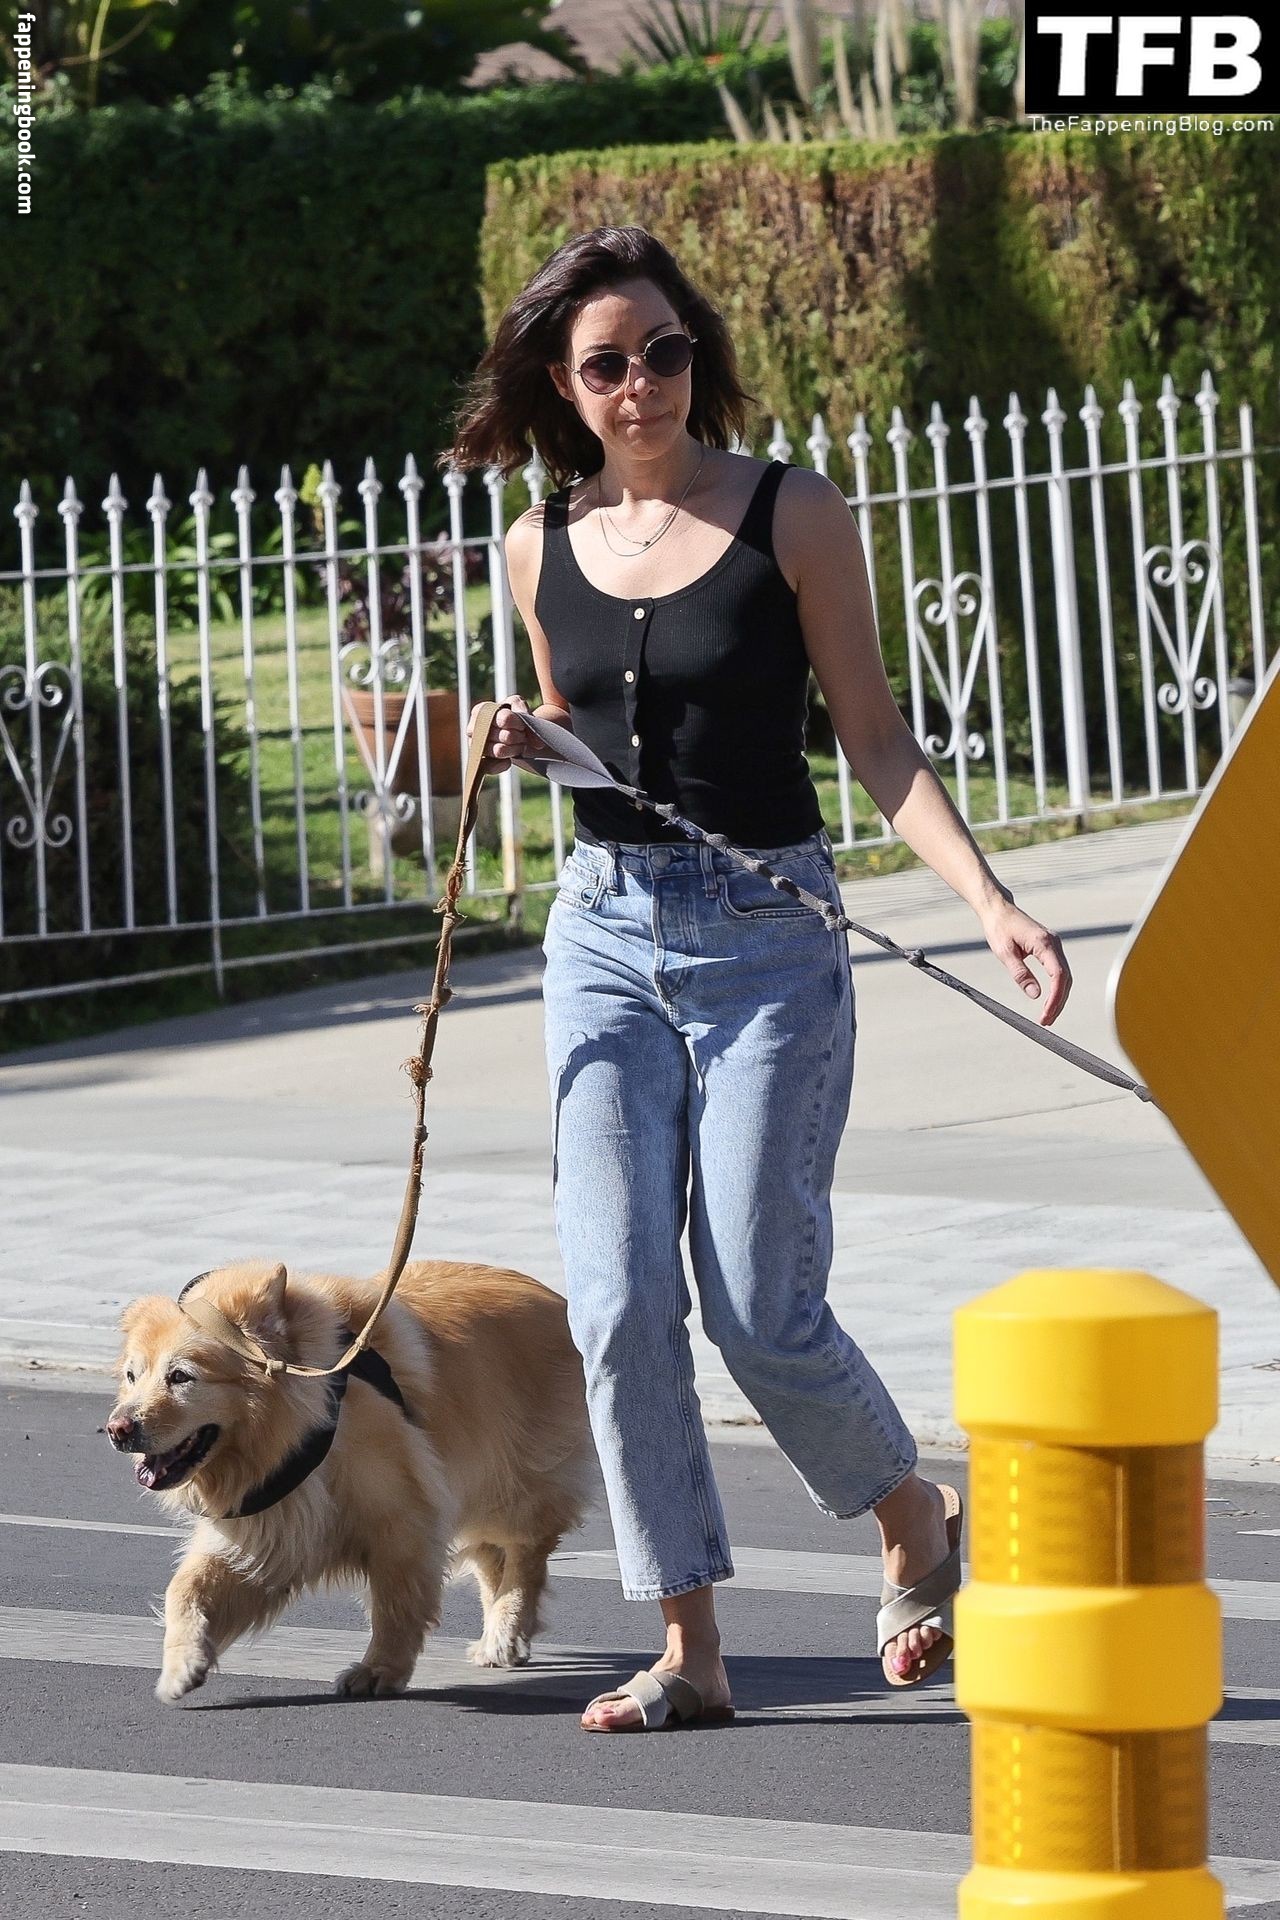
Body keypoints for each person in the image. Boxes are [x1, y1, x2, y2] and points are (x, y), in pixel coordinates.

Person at [440, 225, 1071, 1733]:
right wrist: (514, 737)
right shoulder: (537, 544)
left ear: (695, 357)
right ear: (564, 386)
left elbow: (876, 738)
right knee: (617, 1305)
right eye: (608, 363)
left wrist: (990, 901)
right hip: (602, 936)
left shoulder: (794, 512)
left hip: (767, 939)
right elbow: (580, 719)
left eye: (665, 352)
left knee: (758, 1306)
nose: (642, 383)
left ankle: (911, 1515)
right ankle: (690, 1648)